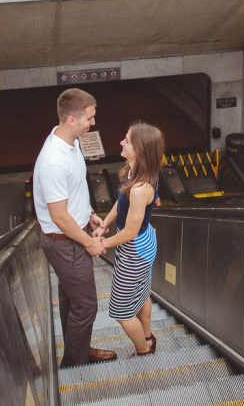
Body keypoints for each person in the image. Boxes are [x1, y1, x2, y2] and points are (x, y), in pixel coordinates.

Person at [33, 88, 116, 367]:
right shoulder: (53, 162)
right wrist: (89, 242)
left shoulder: (72, 142)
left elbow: (76, 189)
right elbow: (59, 217)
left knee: (71, 301)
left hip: (72, 234)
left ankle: (77, 351)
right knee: (86, 306)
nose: (93, 123)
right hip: (65, 241)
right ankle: (74, 363)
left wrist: (89, 212)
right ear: (71, 119)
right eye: (89, 118)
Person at [94, 122, 163, 357]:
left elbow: (130, 232)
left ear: (141, 149)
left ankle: (144, 350)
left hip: (135, 249)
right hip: (143, 242)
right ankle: (146, 335)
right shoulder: (135, 172)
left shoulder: (140, 188)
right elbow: (120, 203)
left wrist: (101, 244)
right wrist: (105, 223)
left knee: (121, 312)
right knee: (142, 293)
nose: (122, 142)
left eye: (127, 140)